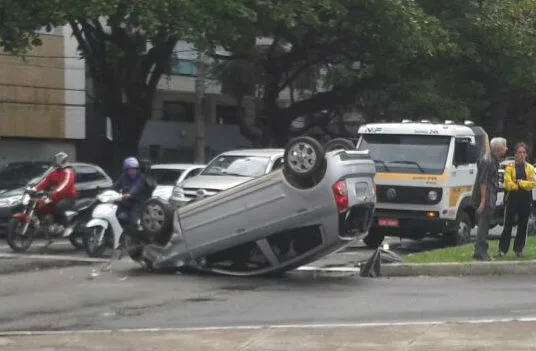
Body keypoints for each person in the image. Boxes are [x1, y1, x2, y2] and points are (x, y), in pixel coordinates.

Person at [472, 137, 508, 261]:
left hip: (490, 195)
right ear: (498, 148)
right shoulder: (486, 161)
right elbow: (483, 182)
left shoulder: (494, 159)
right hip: (485, 196)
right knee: (483, 224)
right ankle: (480, 251)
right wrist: (482, 201)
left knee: (486, 224)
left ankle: (481, 250)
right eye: (504, 146)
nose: (506, 148)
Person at [497, 142, 535, 257]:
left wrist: (520, 182)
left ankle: (519, 249)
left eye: (524, 153)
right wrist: (516, 185)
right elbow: (508, 184)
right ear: (515, 154)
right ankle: (502, 249)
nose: (522, 155)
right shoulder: (510, 167)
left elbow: (532, 183)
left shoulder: (529, 168)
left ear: (526, 154)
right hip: (513, 198)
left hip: (525, 198)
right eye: (519, 152)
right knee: (508, 224)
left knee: (523, 225)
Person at [34, 152, 77, 237]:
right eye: (55, 160)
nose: (55, 161)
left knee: (58, 207)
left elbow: (66, 184)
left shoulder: (68, 171)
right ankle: (47, 226)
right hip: (54, 196)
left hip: (68, 197)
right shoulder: (54, 172)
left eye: (57, 160)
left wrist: (55, 192)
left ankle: (66, 226)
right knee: (40, 206)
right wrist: (34, 189)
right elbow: (44, 182)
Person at [113, 157, 153, 231]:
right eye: (130, 169)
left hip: (138, 202)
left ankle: (137, 234)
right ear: (126, 169)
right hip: (125, 201)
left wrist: (130, 194)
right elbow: (115, 186)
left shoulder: (141, 177)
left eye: (134, 168)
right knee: (114, 212)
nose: (132, 170)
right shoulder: (123, 177)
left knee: (133, 219)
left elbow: (137, 187)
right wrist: (104, 192)